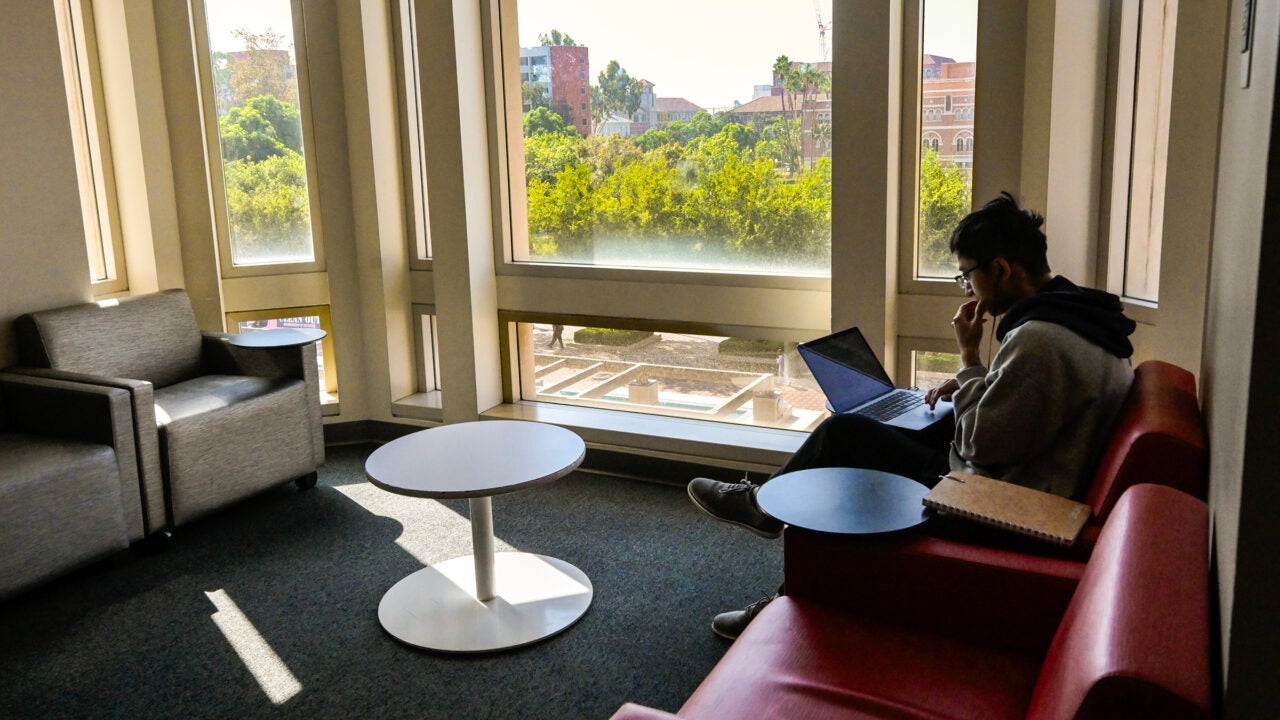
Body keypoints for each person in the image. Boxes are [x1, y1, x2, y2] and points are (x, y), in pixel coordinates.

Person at [687, 192, 1137, 640]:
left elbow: (981, 442)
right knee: (875, 432)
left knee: (848, 441)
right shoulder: (1081, 316)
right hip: (1020, 477)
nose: (967, 289)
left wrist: (968, 357)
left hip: (995, 501)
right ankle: (776, 534)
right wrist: (971, 385)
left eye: (968, 276)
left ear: (1000, 269)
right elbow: (1027, 410)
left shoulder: (1041, 339)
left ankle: (780, 562)